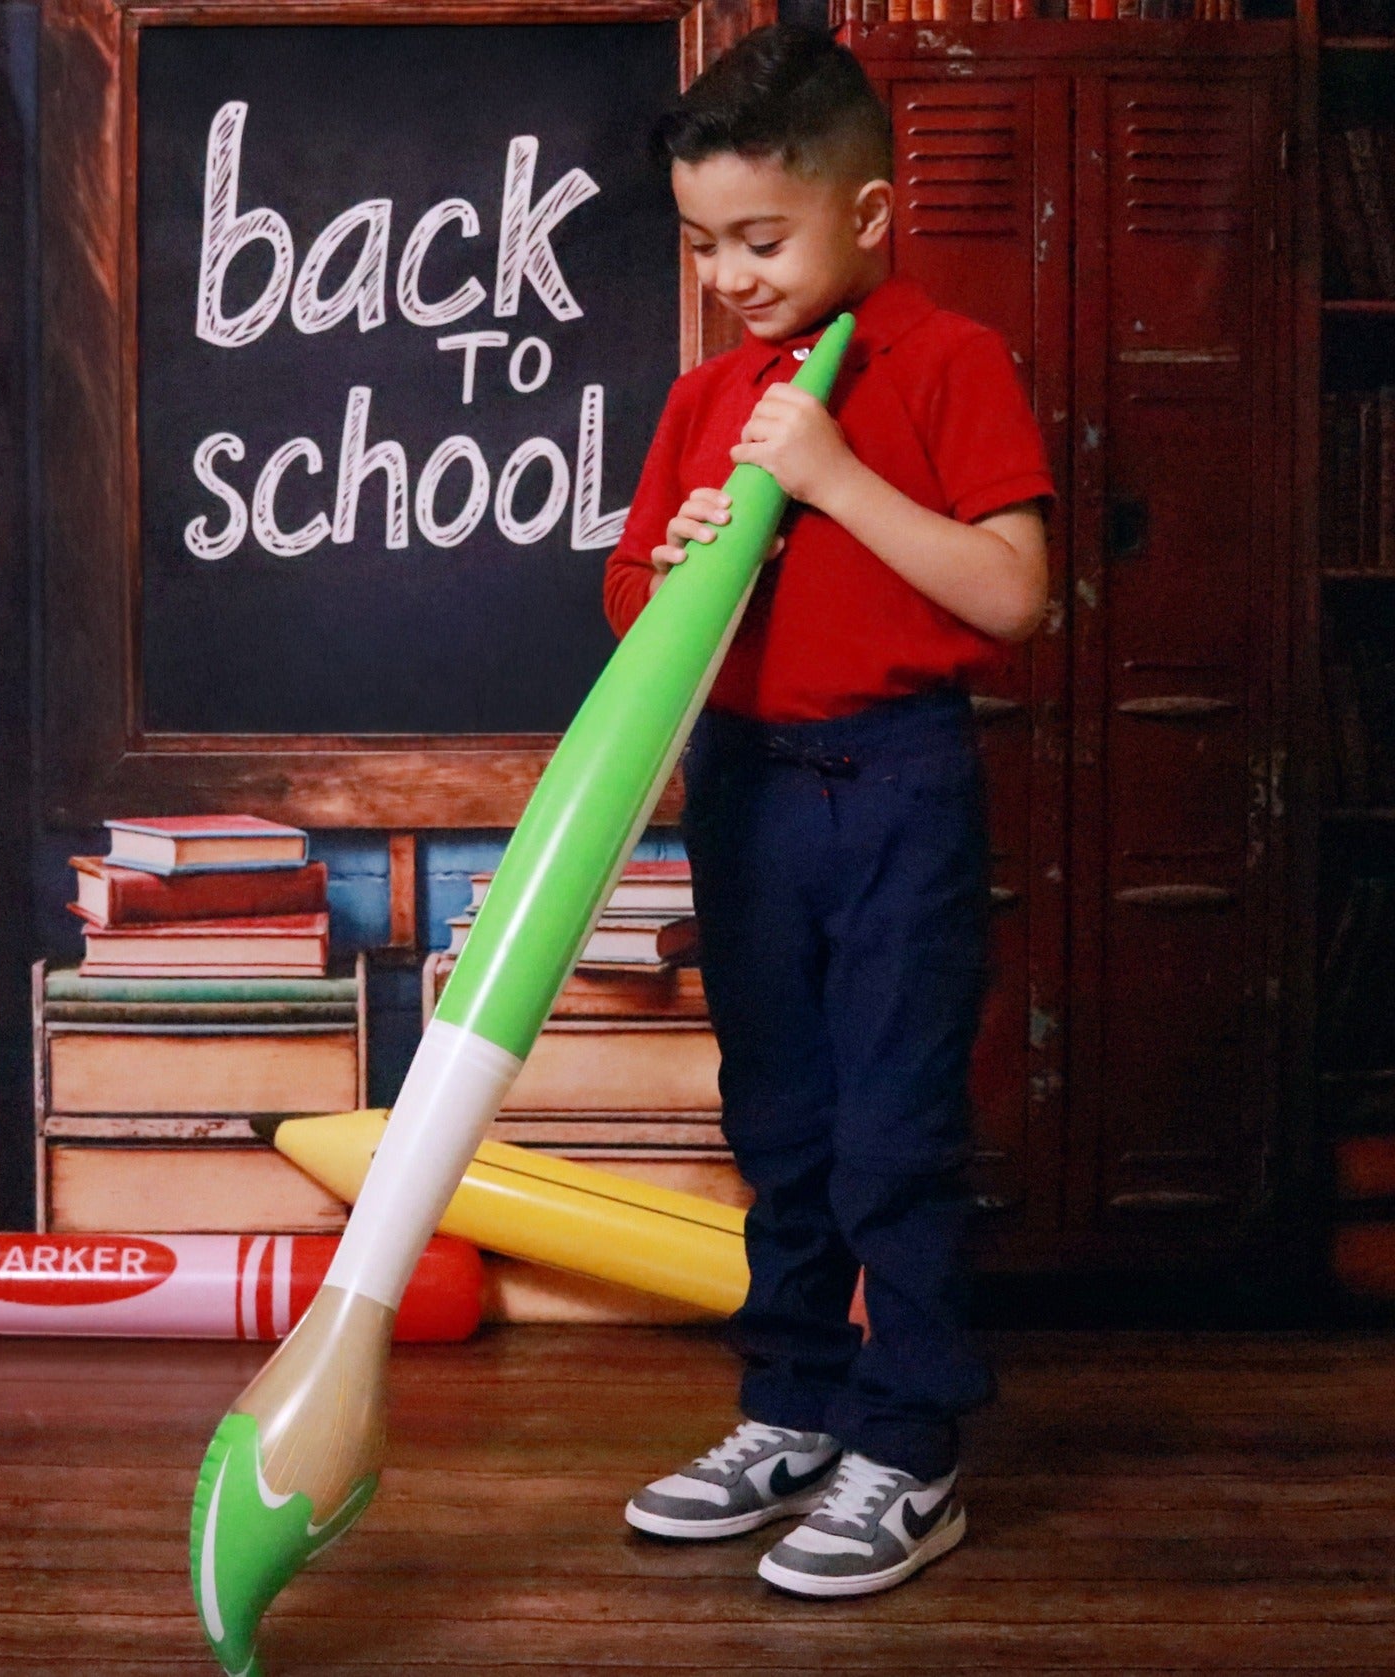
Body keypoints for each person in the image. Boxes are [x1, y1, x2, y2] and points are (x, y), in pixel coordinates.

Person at [608, 24, 1054, 1598]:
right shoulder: (700, 397)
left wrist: (839, 476)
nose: (731, 273)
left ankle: (911, 1443)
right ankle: (792, 1407)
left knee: (891, 1134)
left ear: (868, 213)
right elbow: (635, 611)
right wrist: (677, 574)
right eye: (703, 242)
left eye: (762, 237)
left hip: (900, 786)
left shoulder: (950, 360)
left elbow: (1015, 595)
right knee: (781, 1124)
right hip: (748, 792)